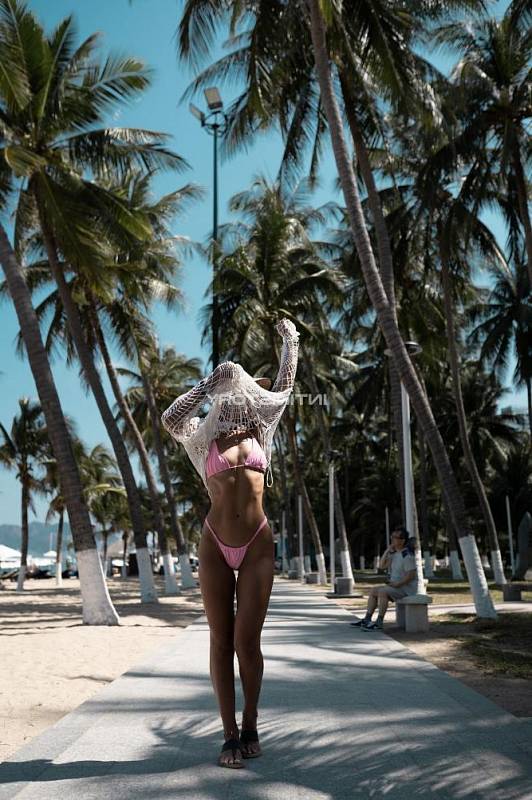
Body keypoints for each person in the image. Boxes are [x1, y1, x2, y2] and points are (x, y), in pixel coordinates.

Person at [161, 318, 300, 768]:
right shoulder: (203, 438)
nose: (244, 394)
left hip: (258, 543)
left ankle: (251, 721)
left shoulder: (263, 430)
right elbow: (169, 418)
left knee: (247, 642)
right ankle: (228, 734)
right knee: (220, 641)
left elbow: (284, 386)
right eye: (236, 390)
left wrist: (290, 340)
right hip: (215, 542)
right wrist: (209, 382)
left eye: (250, 390)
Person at [350, 526, 417, 631]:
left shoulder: (407, 556)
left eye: (395, 537)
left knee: (382, 592)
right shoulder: (395, 554)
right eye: (392, 537)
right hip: (395, 587)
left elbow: (411, 575)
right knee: (373, 590)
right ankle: (367, 619)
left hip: (406, 589)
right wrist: (387, 551)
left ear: (402, 541)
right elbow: (381, 566)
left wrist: (398, 584)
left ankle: (379, 622)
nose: (392, 539)